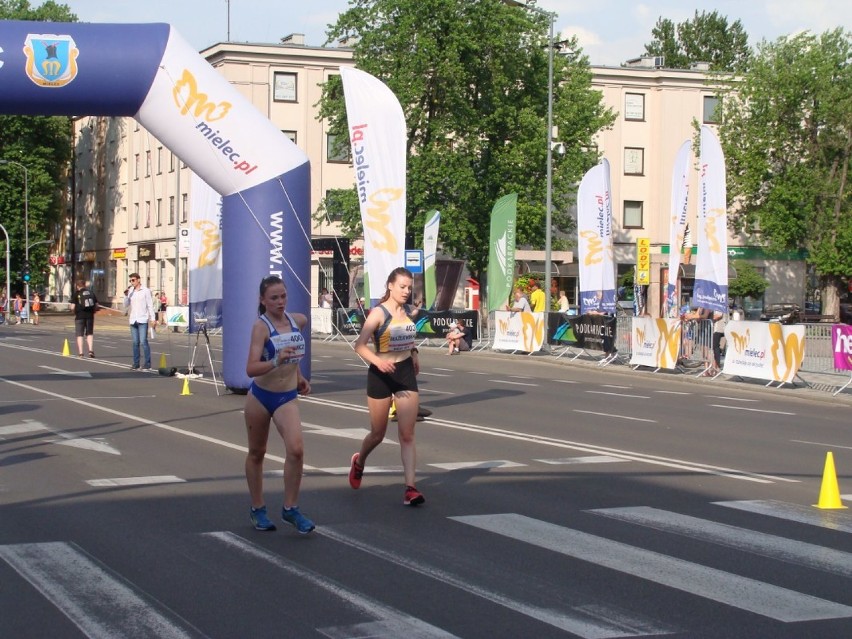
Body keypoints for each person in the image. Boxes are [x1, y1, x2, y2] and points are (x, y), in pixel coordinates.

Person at [348, 267, 425, 506]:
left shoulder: (408, 312)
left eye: (409, 287)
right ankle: (359, 462)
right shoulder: (378, 314)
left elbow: (407, 337)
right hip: (380, 373)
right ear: (390, 286)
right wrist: (378, 362)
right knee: (378, 433)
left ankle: (410, 488)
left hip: (403, 373)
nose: (406, 291)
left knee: (407, 434)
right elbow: (359, 345)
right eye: (402, 286)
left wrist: (413, 353)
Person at [244, 275, 315, 533]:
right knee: (257, 453)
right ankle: (258, 508)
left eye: (283, 296)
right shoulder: (261, 327)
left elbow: (293, 356)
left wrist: (298, 377)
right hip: (261, 396)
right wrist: (275, 361)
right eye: (274, 298)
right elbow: (251, 368)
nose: (280, 302)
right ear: (263, 300)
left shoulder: (299, 321)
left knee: (296, 450)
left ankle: (290, 508)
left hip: (286, 396)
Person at [124, 273, 156, 370]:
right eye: (130, 281)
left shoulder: (146, 291)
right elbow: (126, 305)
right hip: (133, 319)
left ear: (138, 280)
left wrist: (153, 319)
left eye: (133, 280)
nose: (131, 282)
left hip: (142, 319)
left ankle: (147, 363)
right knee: (135, 342)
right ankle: (136, 363)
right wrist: (126, 295)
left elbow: (150, 305)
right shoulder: (131, 291)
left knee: (143, 341)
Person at [71, 280, 98, 357]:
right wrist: (93, 311)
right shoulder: (91, 293)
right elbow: (97, 305)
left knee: (80, 334)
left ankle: (81, 353)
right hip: (90, 316)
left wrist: (74, 312)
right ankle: (91, 350)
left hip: (79, 316)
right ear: (85, 285)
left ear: (77, 286)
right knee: (89, 333)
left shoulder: (76, 294)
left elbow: (72, 307)